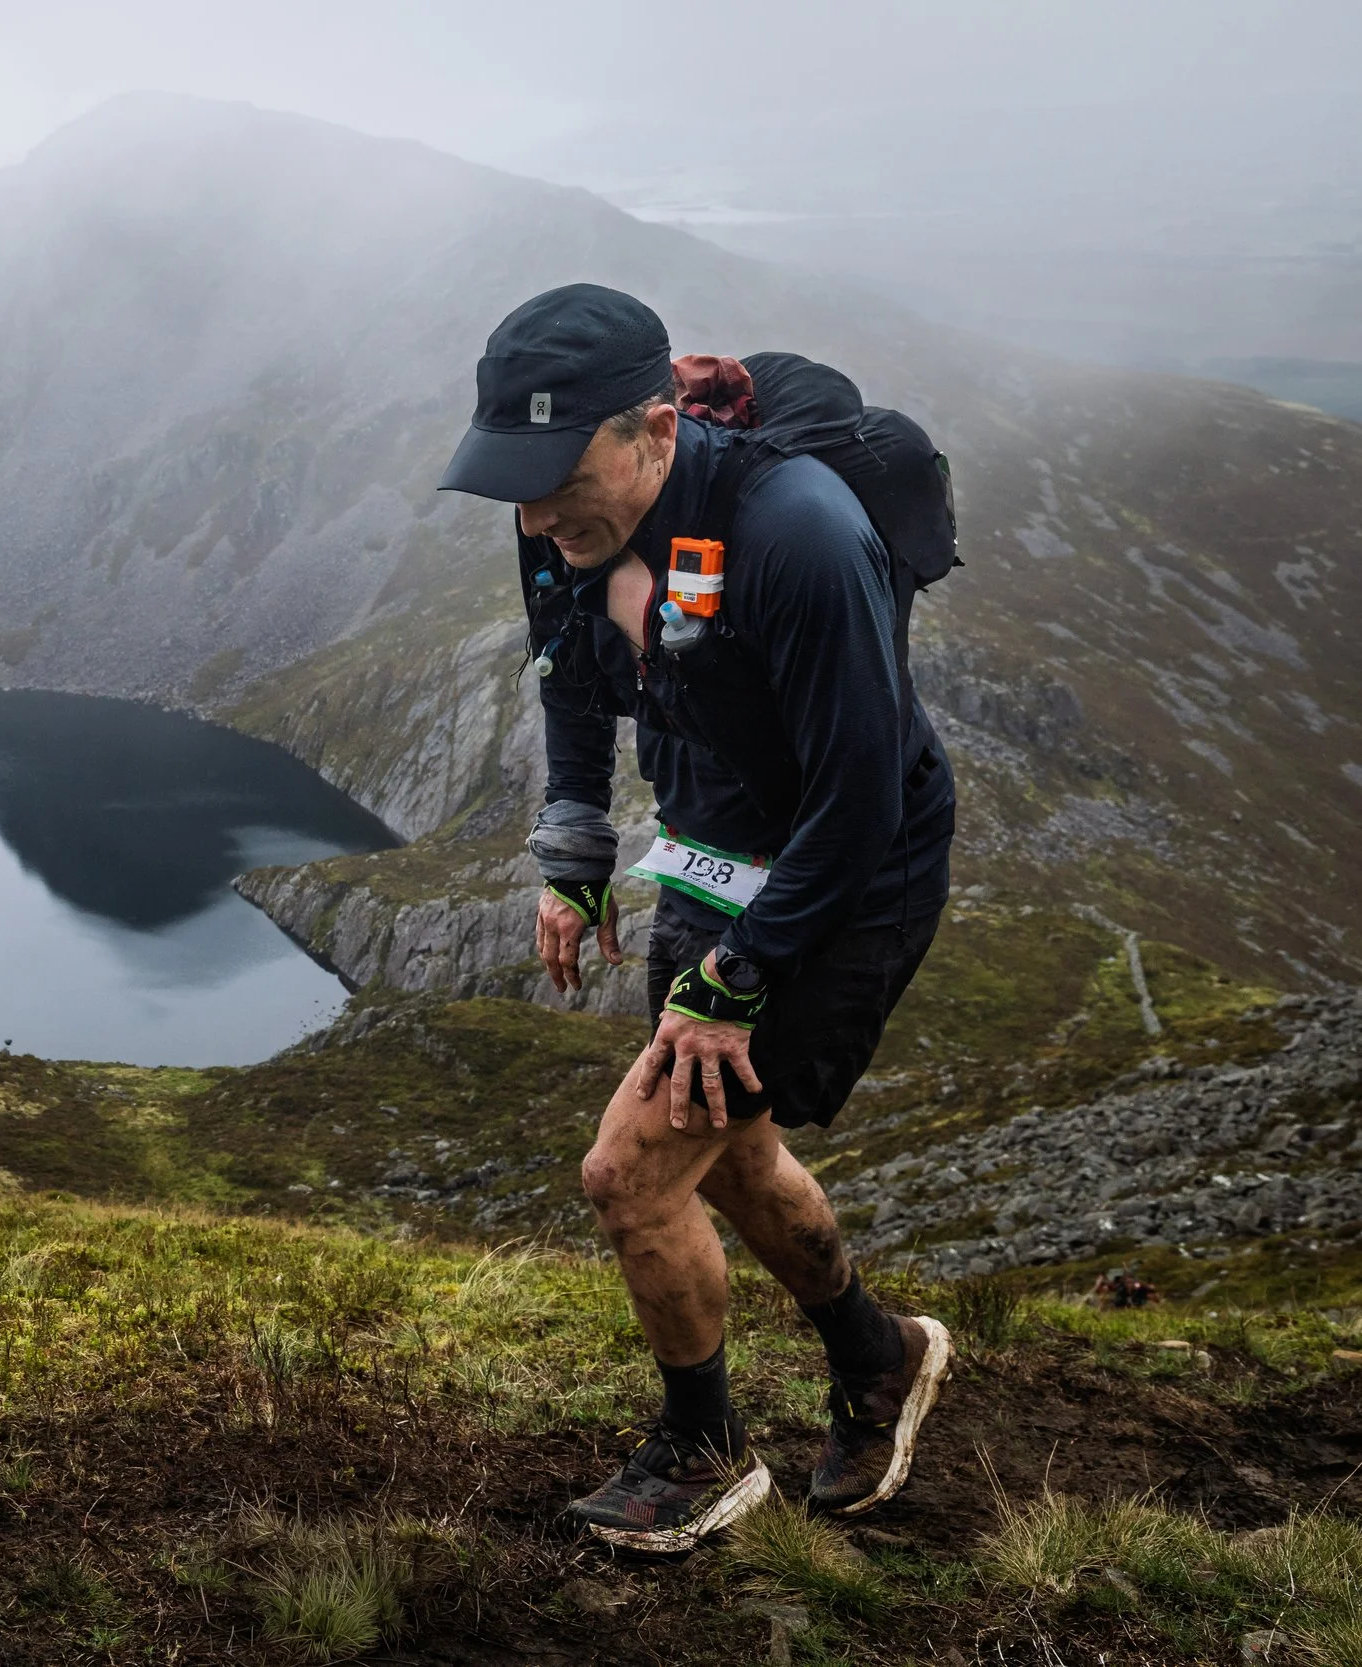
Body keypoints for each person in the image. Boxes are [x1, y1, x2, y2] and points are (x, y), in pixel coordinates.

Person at [439, 284, 959, 1552]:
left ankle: (705, 1449)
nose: (530, 512)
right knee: (722, 1147)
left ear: (657, 431)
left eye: (556, 476)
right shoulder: (561, 515)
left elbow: (858, 791)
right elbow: (566, 670)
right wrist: (572, 850)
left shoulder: (801, 535)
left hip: (848, 865)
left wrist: (737, 976)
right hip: (715, 844)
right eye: (510, 479)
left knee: (629, 1169)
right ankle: (880, 1354)